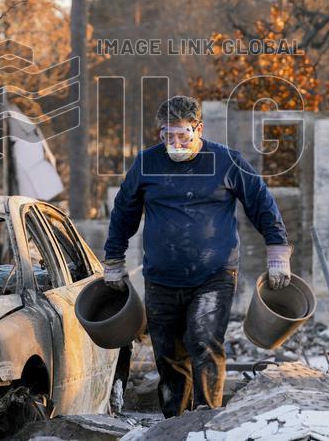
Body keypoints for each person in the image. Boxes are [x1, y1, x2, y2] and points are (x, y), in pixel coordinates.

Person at [103, 95, 291, 418]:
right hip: (161, 277)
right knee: (168, 355)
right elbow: (123, 211)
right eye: (167, 135)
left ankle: (206, 420)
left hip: (213, 276)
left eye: (182, 135)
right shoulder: (147, 164)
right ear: (159, 133)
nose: (174, 143)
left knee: (204, 343)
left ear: (198, 129)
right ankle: (176, 423)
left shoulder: (225, 162)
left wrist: (277, 250)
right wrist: (114, 260)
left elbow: (261, 201)